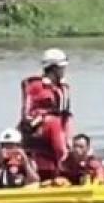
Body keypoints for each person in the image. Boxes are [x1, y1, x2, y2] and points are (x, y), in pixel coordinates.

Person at [18, 49, 72, 181]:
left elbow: (66, 114)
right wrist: (38, 120)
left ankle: (68, 168)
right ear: (53, 68)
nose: (64, 71)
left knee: (61, 128)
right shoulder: (36, 85)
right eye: (61, 68)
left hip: (59, 125)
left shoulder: (63, 87)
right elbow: (27, 112)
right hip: (39, 126)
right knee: (54, 124)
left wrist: (69, 138)